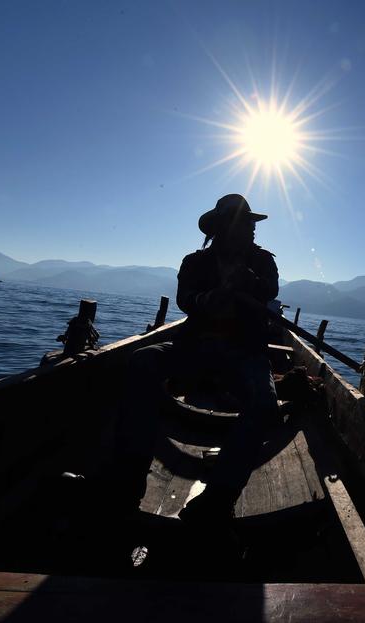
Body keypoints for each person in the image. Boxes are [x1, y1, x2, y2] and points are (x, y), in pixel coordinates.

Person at [111, 193, 280, 525]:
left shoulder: (263, 262)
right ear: (223, 228)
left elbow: (270, 290)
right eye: (245, 223)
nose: (251, 229)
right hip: (194, 348)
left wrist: (249, 282)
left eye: (251, 223)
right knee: (142, 361)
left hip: (245, 353)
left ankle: (217, 501)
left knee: (264, 403)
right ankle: (126, 483)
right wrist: (210, 300)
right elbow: (186, 299)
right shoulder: (195, 262)